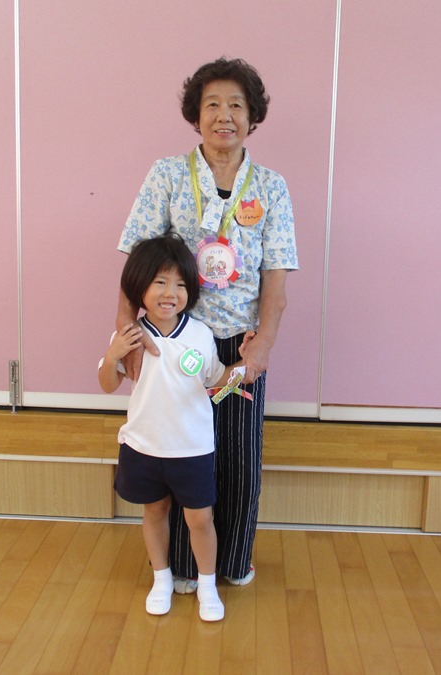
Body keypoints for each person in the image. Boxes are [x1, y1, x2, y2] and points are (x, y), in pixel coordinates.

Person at [116, 57, 298, 591]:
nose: (224, 115)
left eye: (236, 105)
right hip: (176, 343)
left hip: (239, 348)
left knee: (238, 459)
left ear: (252, 116)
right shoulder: (167, 175)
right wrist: (126, 337)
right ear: (196, 115)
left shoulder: (271, 187)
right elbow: (134, 267)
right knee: (178, 453)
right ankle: (180, 567)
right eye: (212, 104)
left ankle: (232, 562)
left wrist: (262, 348)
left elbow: (276, 281)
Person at [99, 234, 249, 622]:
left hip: (193, 448)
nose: (171, 293)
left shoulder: (199, 334)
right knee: (154, 512)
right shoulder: (129, 335)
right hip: (144, 446)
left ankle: (207, 585)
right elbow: (108, 384)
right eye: (160, 282)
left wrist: (244, 366)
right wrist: (112, 356)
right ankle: (161, 578)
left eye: (181, 284)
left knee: (200, 519)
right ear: (139, 286)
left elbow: (216, 381)